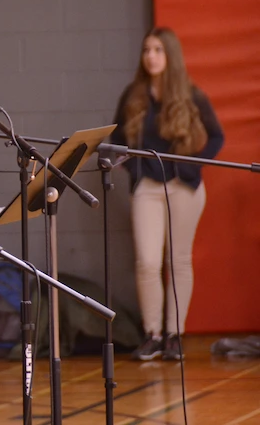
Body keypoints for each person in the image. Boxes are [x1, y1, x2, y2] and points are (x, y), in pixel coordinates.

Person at [111, 26, 224, 361]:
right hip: (147, 188)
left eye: (158, 50)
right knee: (147, 262)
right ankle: (153, 335)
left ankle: (175, 335)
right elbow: (116, 139)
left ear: (170, 55)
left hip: (183, 188)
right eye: (147, 50)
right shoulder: (133, 94)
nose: (151, 56)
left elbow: (216, 137)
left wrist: (192, 166)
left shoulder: (191, 94)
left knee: (178, 260)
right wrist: (135, 168)